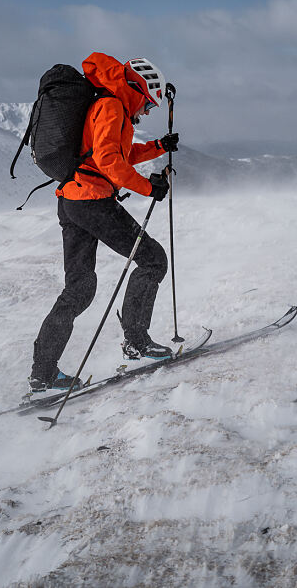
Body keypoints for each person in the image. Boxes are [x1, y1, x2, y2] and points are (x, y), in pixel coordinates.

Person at [29, 52, 181, 391]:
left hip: (71, 201)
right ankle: (137, 341)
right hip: (92, 202)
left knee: (79, 289)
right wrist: (148, 187)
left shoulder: (110, 107)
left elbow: (115, 152)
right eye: (149, 104)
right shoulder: (111, 107)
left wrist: (157, 146)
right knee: (153, 259)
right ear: (140, 91)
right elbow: (110, 162)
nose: (148, 111)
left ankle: (43, 373)